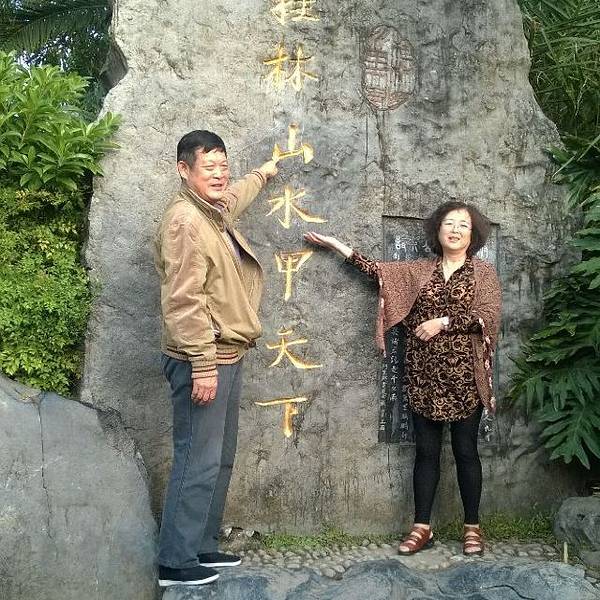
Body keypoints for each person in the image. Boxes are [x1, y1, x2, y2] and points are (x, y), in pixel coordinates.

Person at [304, 201, 501, 557]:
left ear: (473, 235)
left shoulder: (483, 273)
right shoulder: (418, 270)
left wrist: (442, 322)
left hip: (466, 378)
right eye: (449, 223)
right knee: (425, 452)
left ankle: (472, 527)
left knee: (466, 451)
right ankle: (421, 526)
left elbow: (488, 315)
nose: (455, 230)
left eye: (463, 225)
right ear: (437, 230)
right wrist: (337, 246)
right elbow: (377, 271)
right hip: (423, 375)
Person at [154, 130, 278, 587]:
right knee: (197, 459)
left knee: (219, 458)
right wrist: (203, 365)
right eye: (209, 167)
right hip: (201, 358)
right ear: (183, 169)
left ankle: (201, 545)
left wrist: (262, 174)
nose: (220, 174)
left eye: (223, 166)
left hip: (227, 353)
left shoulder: (211, 211)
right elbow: (183, 301)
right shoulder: (185, 221)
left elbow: (234, 196)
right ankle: (175, 561)